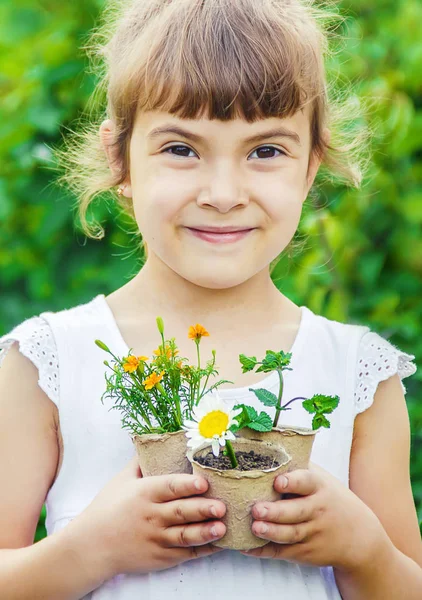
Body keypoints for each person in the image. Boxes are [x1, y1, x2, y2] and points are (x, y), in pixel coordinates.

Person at [0, 0, 421, 598]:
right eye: (181, 149)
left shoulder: (358, 373)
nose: (223, 193)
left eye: (266, 151)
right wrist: (90, 549)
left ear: (310, 167)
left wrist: (365, 550)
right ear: (120, 159)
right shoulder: (49, 361)